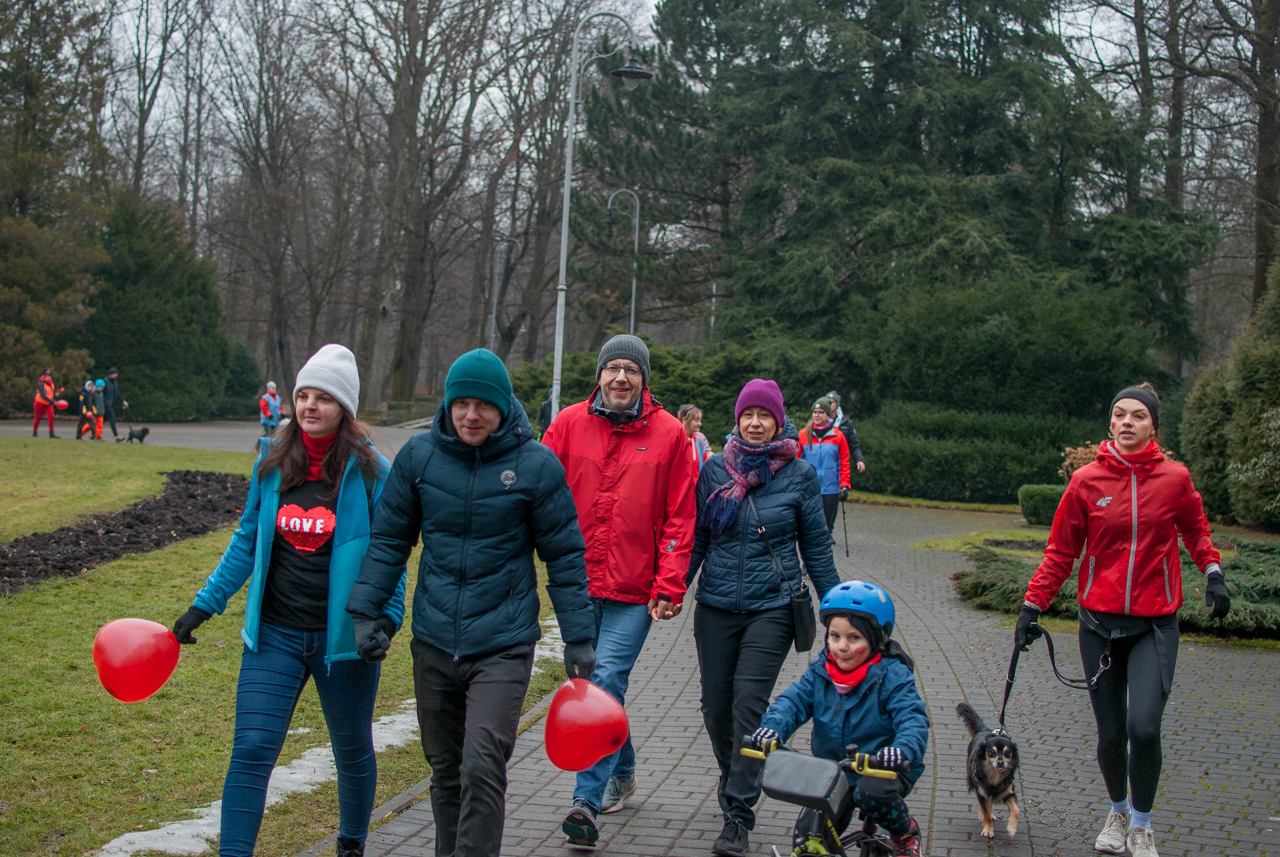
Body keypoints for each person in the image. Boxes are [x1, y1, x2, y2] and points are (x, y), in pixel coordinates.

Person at [346, 348, 596, 857]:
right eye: (461, 403)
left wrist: (580, 636)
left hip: (503, 643)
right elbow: (390, 539)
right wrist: (367, 612)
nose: (471, 415)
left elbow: (565, 554)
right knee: (445, 771)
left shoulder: (536, 466)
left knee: (482, 765)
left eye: (483, 405)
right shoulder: (419, 458)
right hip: (435, 639)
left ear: (503, 408)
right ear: (448, 404)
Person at [170, 344, 398, 857]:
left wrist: (384, 620)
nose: (310, 406)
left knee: (352, 749)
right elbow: (246, 541)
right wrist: (204, 605)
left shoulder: (373, 474)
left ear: (345, 407)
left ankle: (351, 844)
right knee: (250, 750)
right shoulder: (271, 465)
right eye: (303, 395)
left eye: (323, 397)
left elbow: (390, 556)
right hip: (273, 634)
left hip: (344, 642)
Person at [1014, 383, 1230, 857]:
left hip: (1155, 626)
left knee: (1144, 728)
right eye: (1119, 414)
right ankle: (1116, 811)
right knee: (1111, 732)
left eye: (1138, 415)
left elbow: (1195, 529)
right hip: (1098, 627)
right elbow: (1061, 551)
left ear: (1154, 426)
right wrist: (1033, 606)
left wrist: (1212, 572)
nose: (1127, 421)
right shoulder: (1085, 481)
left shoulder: (1175, 479)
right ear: (1110, 423)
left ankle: (1142, 823)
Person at [541, 334, 697, 846]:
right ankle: (623, 769)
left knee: (606, 680)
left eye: (632, 369)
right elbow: (539, 495)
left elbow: (681, 514)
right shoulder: (566, 424)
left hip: (635, 587)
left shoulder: (672, 434)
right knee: (593, 681)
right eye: (614, 368)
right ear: (599, 375)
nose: (622, 378)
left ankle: (585, 800)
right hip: (577, 584)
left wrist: (671, 583)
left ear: (644, 379)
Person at [686, 378, 841, 856]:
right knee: (716, 710)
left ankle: (738, 815)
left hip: (772, 607)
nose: (755, 423)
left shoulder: (799, 474)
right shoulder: (714, 470)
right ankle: (735, 773)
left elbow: (816, 546)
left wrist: (838, 609)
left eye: (764, 416)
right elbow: (699, 540)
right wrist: (671, 589)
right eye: (748, 415)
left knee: (749, 707)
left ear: (778, 420)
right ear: (738, 419)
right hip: (714, 606)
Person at [753, 581, 929, 857]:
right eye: (834, 636)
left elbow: (913, 719)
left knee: (872, 793)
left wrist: (902, 750)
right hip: (834, 769)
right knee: (807, 834)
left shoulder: (893, 676)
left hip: (882, 767)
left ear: (875, 639)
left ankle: (904, 832)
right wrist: (771, 729)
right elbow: (793, 702)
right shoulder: (820, 670)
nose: (842, 646)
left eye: (854, 638)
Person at [798, 396, 851, 534]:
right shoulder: (803, 435)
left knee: (826, 522)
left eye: (821, 412)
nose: (817, 415)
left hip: (831, 486)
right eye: (815, 412)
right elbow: (796, 461)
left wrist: (844, 484)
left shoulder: (838, 436)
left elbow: (843, 461)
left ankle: (825, 545)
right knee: (810, 521)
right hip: (809, 486)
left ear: (828, 415)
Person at [826, 391, 866, 476]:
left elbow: (854, 444)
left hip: (841, 463)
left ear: (837, 404)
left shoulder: (846, 422)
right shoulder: (817, 421)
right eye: (827, 402)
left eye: (832, 402)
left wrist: (860, 459)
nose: (829, 404)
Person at [679, 404, 713, 472]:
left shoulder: (700, 443)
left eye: (700, 420)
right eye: (696, 420)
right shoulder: (677, 441)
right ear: (685, 420)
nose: (700, 424)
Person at [33, 368, 62, 438]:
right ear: (44, 375)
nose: (49, 377)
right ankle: (35, 433)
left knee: (51, 417)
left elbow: (50, 393)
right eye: (47, 375)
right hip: (39, 403)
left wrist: (55, 394)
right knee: (37, 418)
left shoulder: (51, 383)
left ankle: (51, 433)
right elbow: (43, 394)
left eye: (50, 375)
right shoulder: (40, 383)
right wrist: (52, 402)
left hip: (48, 404)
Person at [103, 368, 128, 442]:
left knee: (101, 421)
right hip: (107, 405)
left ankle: (93, 434)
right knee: (112, 420)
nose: (115, 375)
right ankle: (117, 437)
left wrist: (123, 400)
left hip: (111, 404)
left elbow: (117, 393)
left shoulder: (114, 382)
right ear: (110, 374)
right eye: (114, 374)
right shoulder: (105, 382)